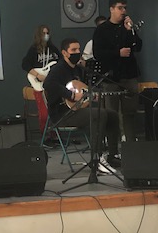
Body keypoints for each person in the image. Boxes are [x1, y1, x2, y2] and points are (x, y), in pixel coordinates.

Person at [43, 37, 121, 169]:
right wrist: (71, 95)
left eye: (78, 49)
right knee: (99, 114)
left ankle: (113, 155)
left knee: (112, 115)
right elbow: (48, 84)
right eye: (73, 50)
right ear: (64, 53)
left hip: (77, 109)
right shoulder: (58, 69)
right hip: (62, 113)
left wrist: (92, 96)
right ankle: (96, 158)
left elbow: (83, 90)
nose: (77, 52)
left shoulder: (79, 69)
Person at [93, 0, 142, 142]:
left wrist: (130, 30)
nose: (123, 11)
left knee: (130, 113)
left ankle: (131, 145)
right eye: (120, 8)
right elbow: (97, 53)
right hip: (110, 77)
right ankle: (113, 148)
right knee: (111, 114)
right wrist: (117, 53)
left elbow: (138, 47)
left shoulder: (127, 28)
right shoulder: (101, 30)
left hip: (129, 75)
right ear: (111, 9)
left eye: (125, 8)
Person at [22, 24, 61, 134]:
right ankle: (45, 135)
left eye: (47, 33)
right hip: (39, 83)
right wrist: (38, 75)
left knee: (55, 111)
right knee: (44, 113)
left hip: (52, 84)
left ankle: (55, 135)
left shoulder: (52, 49)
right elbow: (25, 64)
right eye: (43, 33)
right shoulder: (33, 49)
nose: (46, 35)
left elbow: (61, 61)